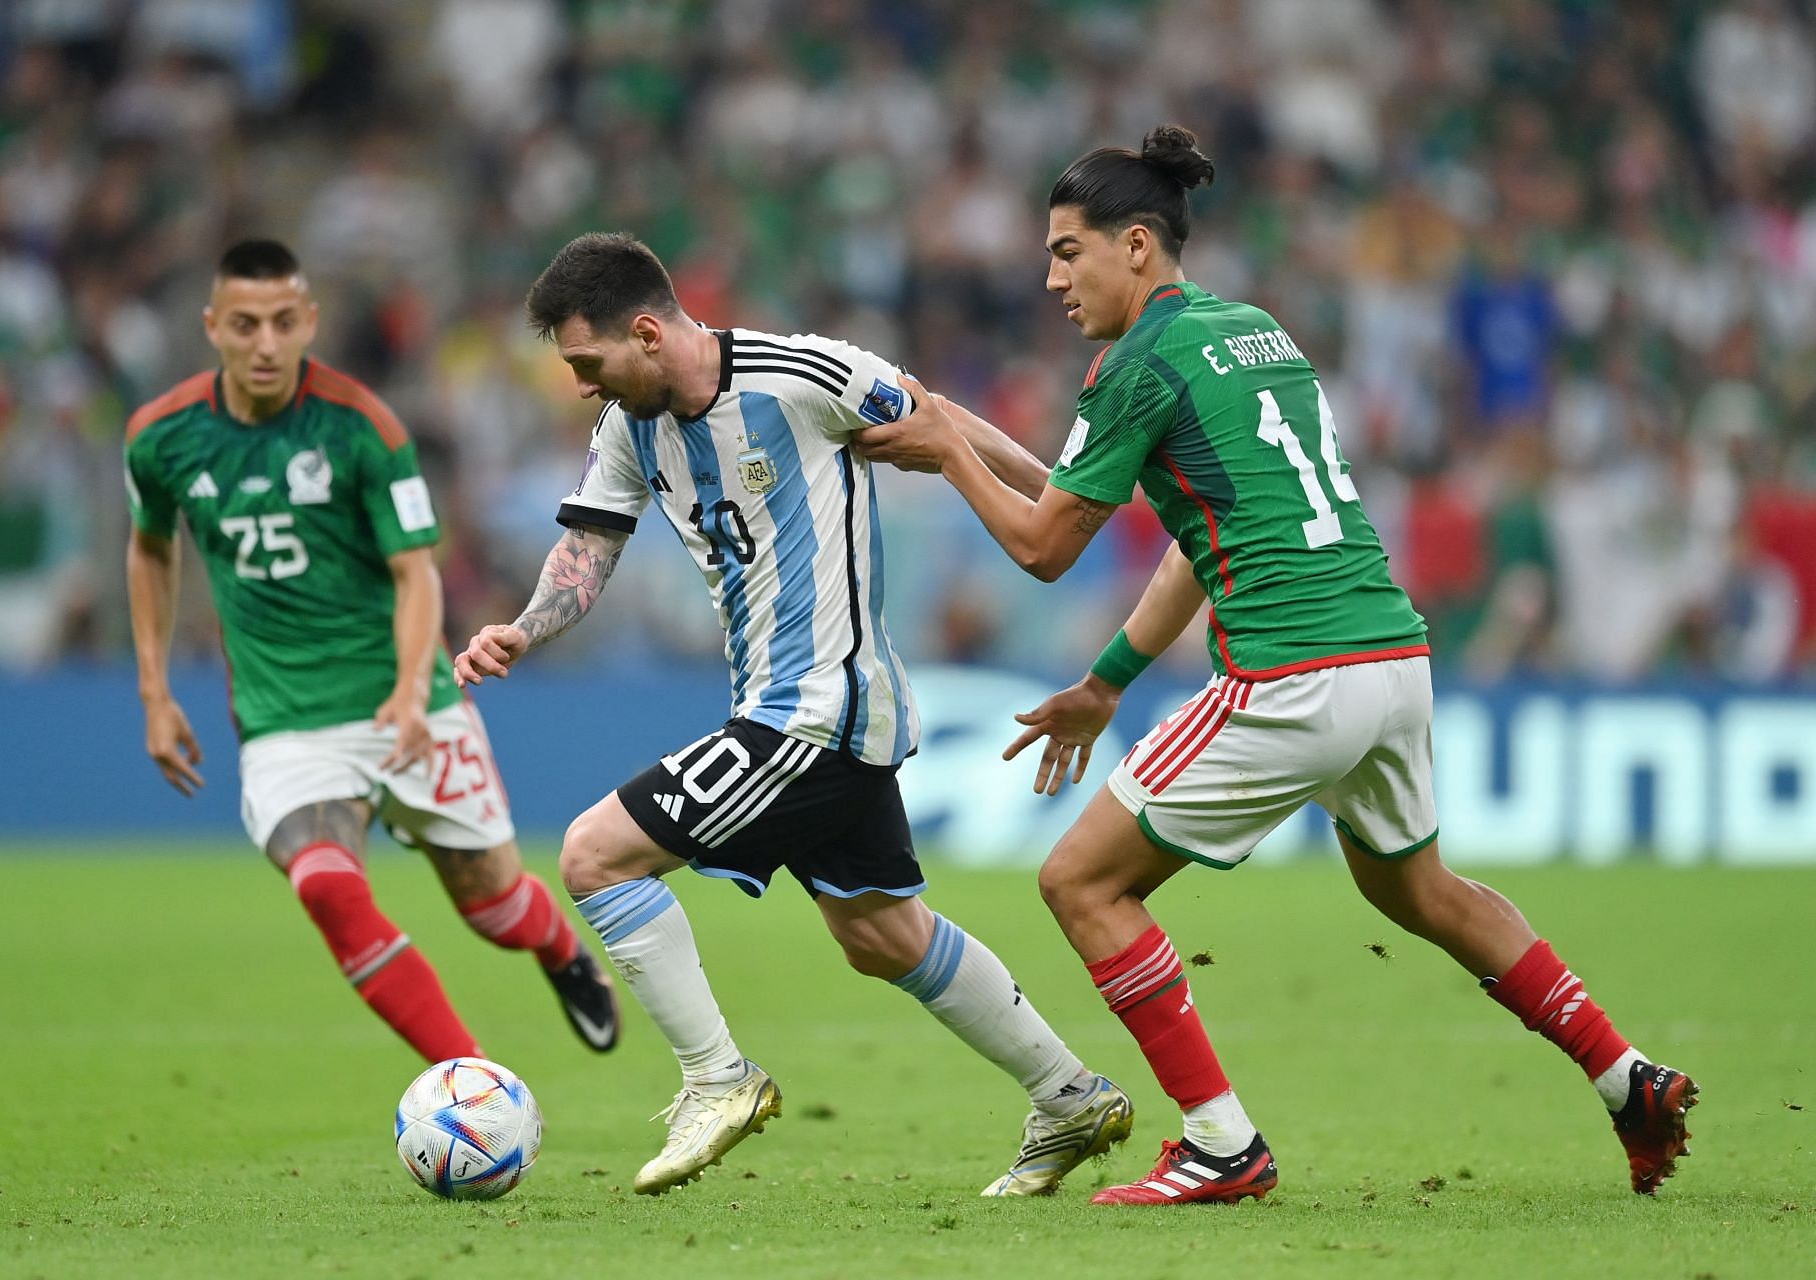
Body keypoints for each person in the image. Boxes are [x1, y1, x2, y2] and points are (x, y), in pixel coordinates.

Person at [854, 126, 1698, 1204]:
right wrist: (1108, 678)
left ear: (1142, 245)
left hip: (1294, 672)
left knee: (1081, 882)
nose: (1053, 276)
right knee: (1420, 888)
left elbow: (1044, 546)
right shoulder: (1251, 332)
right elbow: (1196, 533)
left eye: (1072, 251)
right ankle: (1630, 1077)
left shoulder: (1135, 365)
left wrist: (944, 453)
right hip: (1391, 657)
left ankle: (1220, 1142)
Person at [452, 231, 1131, 1197]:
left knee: (594, 856)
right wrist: (524, 629)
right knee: (881, 933)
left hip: (817, 707)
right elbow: (591, 547)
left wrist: (1059, 495)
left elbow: (936, 422)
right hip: (795, 708)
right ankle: (1070, 1097)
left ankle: (717, 1081)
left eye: (587, 363)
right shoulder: (627, 426)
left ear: (646, 332)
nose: (580, 386)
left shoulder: (802, 374)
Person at [124, 239, 618, 1067]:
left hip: (408, 699)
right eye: (245, 324)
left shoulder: (362, 427)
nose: (266, 343)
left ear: (309, 321)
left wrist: (404, 688)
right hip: (287, 718)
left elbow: (415, 573)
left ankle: (560, 951)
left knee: (492, 906)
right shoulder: (161, 438)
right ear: (213, 328)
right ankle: (470, 1081)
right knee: (325, 884)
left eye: (284, 322)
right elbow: (149, 549)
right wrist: (153, 690)